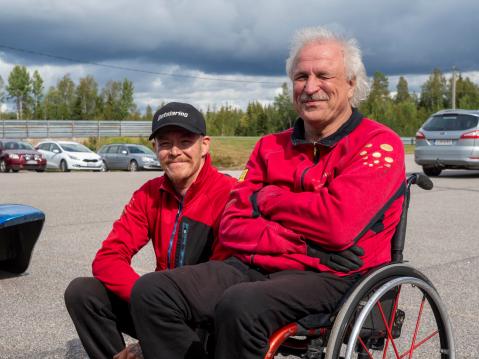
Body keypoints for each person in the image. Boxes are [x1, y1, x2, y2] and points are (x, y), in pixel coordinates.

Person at [130, 26, 406, 359]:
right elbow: (231, 224)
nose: (311, 87)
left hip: (333, 276)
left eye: (324, 75)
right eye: (301, 77)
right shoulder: (268, 147)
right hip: (257, 265)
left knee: (241, 304)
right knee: (153, 290)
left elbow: (337, 224)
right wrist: (301, 241)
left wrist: (265, 200)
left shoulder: (378, 144)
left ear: (350, 84)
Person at [64, 102, 237, 359]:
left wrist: (158, 328)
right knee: (82, 293)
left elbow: (228, 280)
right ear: (155, 147)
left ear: (205, 144)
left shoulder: (231, 194)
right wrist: (153, 306)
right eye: (165, 143)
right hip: (160, 306)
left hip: (208, 317)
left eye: (185, 141)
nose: (174, 151)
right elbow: (108, 258)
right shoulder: (149, 193)